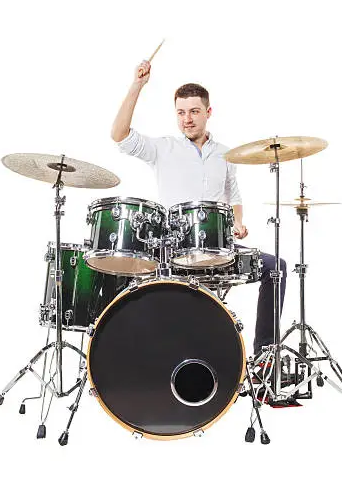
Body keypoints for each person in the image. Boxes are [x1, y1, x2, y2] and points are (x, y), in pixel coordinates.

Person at [111, 59, 287, 355]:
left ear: (208, 112)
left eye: (193, 111)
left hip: (219, 249)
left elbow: (233, 196)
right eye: (180, 112)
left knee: (275, 268)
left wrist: (237, 223)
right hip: (175, 252)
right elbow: (119, 135)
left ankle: (265, 355)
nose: (187, 119)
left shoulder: (226, 154)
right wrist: (137, 85)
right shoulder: (163, 148)